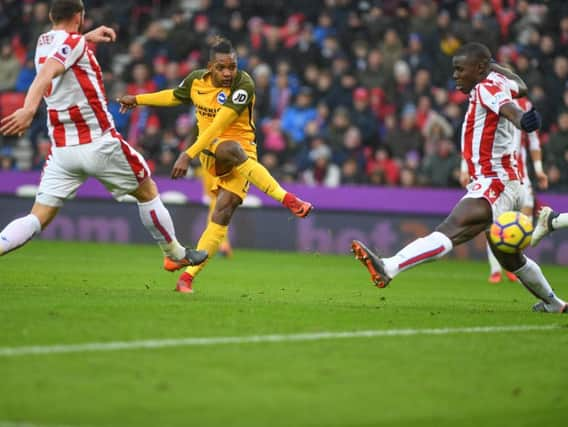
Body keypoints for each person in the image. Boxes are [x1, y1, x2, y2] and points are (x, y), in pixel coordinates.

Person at [351, 42, 567, 313]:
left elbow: (510, 109)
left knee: (450, 229)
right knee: (508, 257)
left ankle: (389, 266)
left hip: (495, 182)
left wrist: (523, 120)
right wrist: (490, 65)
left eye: (459, 69)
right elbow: (521, 86)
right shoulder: (496, 79)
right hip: (499, 181)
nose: (455, 76)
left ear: (478, 70)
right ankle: (555, 304)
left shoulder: (486, 87)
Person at [0, 0, 207, 272]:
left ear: (52, 16)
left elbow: (60, 56)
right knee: (147, 191)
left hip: (62, 150)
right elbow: (51, 70)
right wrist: (28, 109)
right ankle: (175, 253)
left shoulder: (43, 41)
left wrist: (86, 38)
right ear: (80, 16)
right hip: (98, 142)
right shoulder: (73, 43)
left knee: (38, 216)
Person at [118, 37, 313, 293]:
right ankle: (289, 200)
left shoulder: (244, 84)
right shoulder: (196, 80)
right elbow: (175, 97)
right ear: (210, 66)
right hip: (212, 151)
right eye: (221, 67)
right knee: (230, 148)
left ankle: (186, 277)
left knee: (222, 213)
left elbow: (222, 123)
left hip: (242, 156)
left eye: (232, 66)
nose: (227, 72)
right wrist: (138, 99)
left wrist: (187, 154)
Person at [460, 97, 549, 283]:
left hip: (521, 174)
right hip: (496, 174)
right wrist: (464, 167)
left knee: (523, 223)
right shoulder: (488, 100)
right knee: (494, 222)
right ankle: (495, 270)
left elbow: (533, 141)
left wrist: (539, 170)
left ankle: (513, 264)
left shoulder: (525, 105)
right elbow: (472, 136)